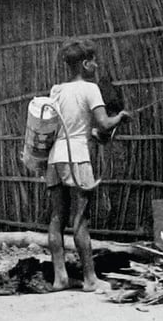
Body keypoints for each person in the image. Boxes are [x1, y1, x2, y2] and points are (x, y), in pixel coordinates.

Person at [47, 40, 131, 292]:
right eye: (93, 61)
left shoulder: (56, 91)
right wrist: (120, 118)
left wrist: (89, 132)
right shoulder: (91, 89)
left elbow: (64, 127)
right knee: (81, 219)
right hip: (78, 158)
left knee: (56, 218)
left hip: (55, 158)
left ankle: (59, 277)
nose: (96, 65)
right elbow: (105, 124)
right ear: (85, 64)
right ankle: (90, 279)